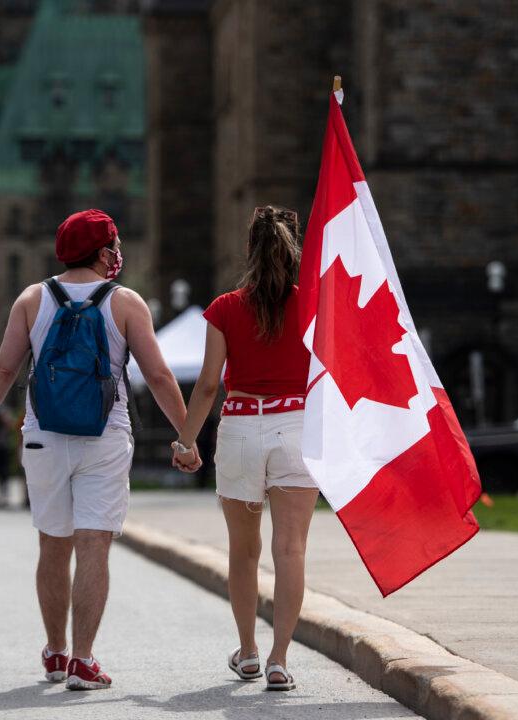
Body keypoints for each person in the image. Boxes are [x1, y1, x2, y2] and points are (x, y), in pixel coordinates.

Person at [0, 209, 198, 691]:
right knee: (94, 544)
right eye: (115, 245)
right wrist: (186, 439)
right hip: (105, 435)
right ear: (104, 252)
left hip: (43, 435)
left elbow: (2, 371)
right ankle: (84, 660)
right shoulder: (126, 303)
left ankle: (56, 653)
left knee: (52, 544)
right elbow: (160, 377)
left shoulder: (31, 299)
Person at [172, 205, 316, 691]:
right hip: (298, 425)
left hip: (240, 427)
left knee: (244, 551)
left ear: (249, 249)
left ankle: (249, 652)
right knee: (291, 548)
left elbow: (208, 385)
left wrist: (186, 440)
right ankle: (279, 660)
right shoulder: (314, 305)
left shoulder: (225, 308)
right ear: (294, 250)